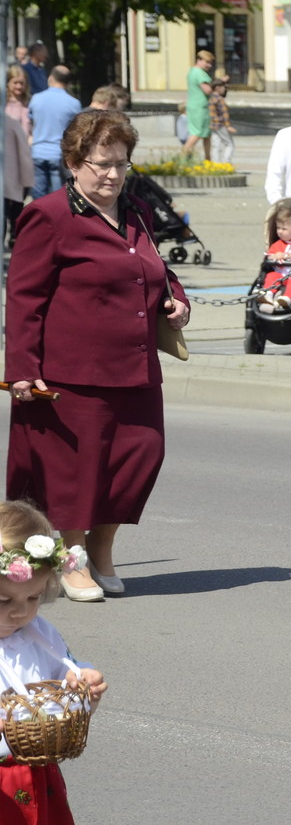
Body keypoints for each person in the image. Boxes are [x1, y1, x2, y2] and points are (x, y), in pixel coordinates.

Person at [6, 110, 191, 603]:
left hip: (135, 367)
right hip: (73, 374)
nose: (112, 174)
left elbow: (154, 272)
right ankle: (73, 558)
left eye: (121, 164)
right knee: (77, 473)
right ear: (73, 162)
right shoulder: (48, 215)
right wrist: (22, 368)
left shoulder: (136, 213)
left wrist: (176, 301)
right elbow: (24, 298)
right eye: (101, 163)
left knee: (138, 460)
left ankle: (104, 548)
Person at [0, 500, 109, 823]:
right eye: (4, 600)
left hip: (35, 772)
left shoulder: (39, 633)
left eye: (33, 597)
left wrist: (83, 688)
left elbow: (61, 681)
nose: (20, 612)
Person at [28, 67, 80, 200]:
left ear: (50, 78)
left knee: (38, 197)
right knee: (59, 197)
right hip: (59, 154)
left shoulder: (36, 98)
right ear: (68, 83)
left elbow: (29, 124)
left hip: (37, 151)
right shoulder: (73, 104)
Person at [4, 67, 33, 248]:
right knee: (7, 198)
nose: (19, 86)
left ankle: (15, 233)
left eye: (22, 83)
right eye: (15, 82)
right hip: (8, 158)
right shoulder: (4, 104)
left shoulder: (28, 103)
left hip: (24, 157)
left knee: (19, 199)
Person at [182, 51, 214, 159]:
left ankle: (208, 159)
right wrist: (218, 85)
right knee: (198, 133)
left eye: (210, 63)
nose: (209, 65)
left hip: (194, 105)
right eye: (207, 62)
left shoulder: (192, 71)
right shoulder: (199, 73)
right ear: (199, 60)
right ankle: (183, 156)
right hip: (200, 107)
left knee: (206, 134)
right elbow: (207, 90)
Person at [207, 75, 236, 165]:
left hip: (212, 124)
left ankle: (215, 164)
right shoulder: (220, 99)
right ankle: (227, 163)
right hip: (220, 124)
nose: (225, 89)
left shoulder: (210, 98)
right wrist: (228, 126)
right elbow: (224, 113)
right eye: (223, 87)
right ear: (218, 88)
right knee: (229, 144)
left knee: (216, 145)